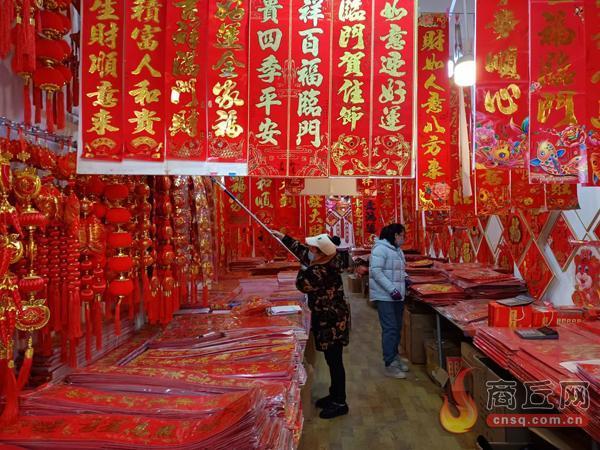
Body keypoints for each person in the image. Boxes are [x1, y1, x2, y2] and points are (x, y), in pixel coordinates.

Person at [271, 229, 350, 419]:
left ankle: (340, 402)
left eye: (313, 249)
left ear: (320, 253)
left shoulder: (320, 270)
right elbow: (302, 250)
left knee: (335, 361)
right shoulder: (329, 259)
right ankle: (334, 395)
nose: (309, 250)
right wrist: (283, 237)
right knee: (333, 360)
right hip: (332, 318)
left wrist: (302, 269)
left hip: (331, 322)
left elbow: (302, 285)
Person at [369, 223, 409, 378]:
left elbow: (399, 270)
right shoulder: (380, 249)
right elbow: (377, 273)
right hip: (385, 296)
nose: (403, 238)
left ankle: (394, 356)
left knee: (397, 328)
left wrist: (406, 278)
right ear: (395, 235)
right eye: (402, 235)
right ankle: (389, 363)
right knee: (390, 328)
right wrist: (392, 289)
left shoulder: (397, 250)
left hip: (398, 295)